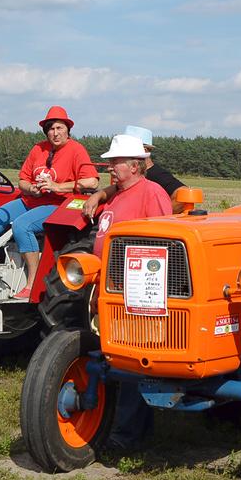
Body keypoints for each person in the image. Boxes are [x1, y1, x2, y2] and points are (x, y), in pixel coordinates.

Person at [89, 134, 173, 449]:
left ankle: (127, 435)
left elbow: (168, 243)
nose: (110, 166)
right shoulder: (115, 196)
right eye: (110, 161)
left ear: (135, 165)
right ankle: (116, 424)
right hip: (108, 289)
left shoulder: (151, 193)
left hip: (135, 290)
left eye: (116, 162)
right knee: (114, 357)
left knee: (132, 361)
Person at [0, 106, 98, 299]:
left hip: (58, 204)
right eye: (51, 128)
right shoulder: (38, 149)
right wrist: (31, 189)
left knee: (22, 226)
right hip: (31, 200)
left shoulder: (76, 150)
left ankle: (32, 282)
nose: (55, 132)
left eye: (60, 128)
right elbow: (23, 180)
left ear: (68, 130)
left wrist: (57, 187)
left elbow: (91, 181)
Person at [82, 125, 186, 219]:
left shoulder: (156, 175)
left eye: (115, 161)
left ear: (144, 150)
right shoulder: (126, 182)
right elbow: (116, 188)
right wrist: (96, 196)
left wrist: (159, 213)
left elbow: (183, 194)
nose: (110, 168)